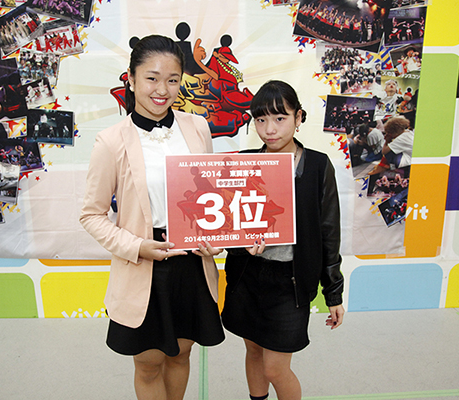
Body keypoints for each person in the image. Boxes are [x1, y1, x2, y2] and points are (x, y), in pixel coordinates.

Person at [79, 35, 225, 400]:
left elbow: (210, 196)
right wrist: (138, 247)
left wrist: (216, 235)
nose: (162, 90)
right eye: (152, 78)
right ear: (131, 78)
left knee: (182, 353)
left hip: (192, 262)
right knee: (147, 364)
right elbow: (92, 215)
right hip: (144, 264)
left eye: (172, 80)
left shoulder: (198, 128)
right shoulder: (111, 141)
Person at [221, 80, 345, 400]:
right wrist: (239, 244)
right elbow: (229, 224)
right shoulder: (245, 162)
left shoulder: (317, 165)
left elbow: (329, 231)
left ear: (298, 117)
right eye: (261, 119)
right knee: (253, 351)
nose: (269, 129)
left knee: (275, 368)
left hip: (290, 281)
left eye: (280, 118)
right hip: (247, 276)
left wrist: (333, 292)